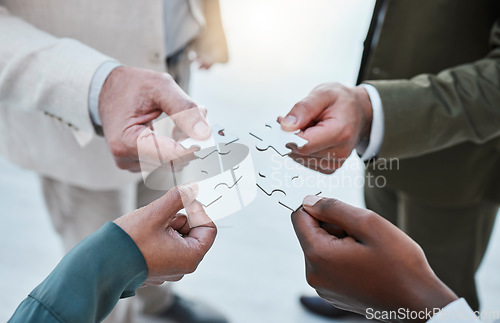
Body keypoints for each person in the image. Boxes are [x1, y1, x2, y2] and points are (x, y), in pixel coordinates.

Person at [0, 1, 228, 322]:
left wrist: (206, 19)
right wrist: (100, 87)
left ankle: (156, 302)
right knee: (102, 275)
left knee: (166, 214)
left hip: (174, 73)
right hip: (75, 124)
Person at [279, 0, 500, 317]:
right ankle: (364, 301)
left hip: (456, 166)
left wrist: (375, 110)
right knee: (369, 253)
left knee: (437, 293)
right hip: (380, 139)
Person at [9, 183, 218, 323]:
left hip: (158, 134)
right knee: (99, 220)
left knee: (156, 201)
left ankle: (156, 303)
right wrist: (120, 257)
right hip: (81, 151)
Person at [292, 195, 483, 322]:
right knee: (381, 220)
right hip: (386, 160)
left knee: (445, 268)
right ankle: (365, 301)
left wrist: (434, 309)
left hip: (457, 177)